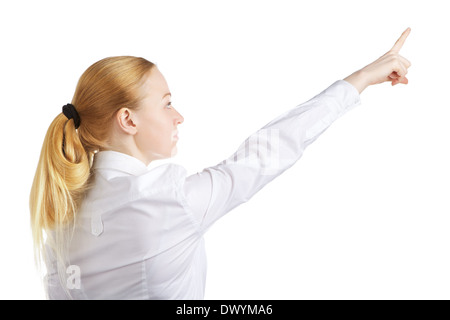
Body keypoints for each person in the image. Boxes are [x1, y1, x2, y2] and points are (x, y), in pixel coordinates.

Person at [29, 28, 411, 299]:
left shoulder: (60, 213)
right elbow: (265, 154)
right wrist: (358, 80)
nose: (178, 116)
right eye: (166, 103)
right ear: (128, 120)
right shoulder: (165, 202)